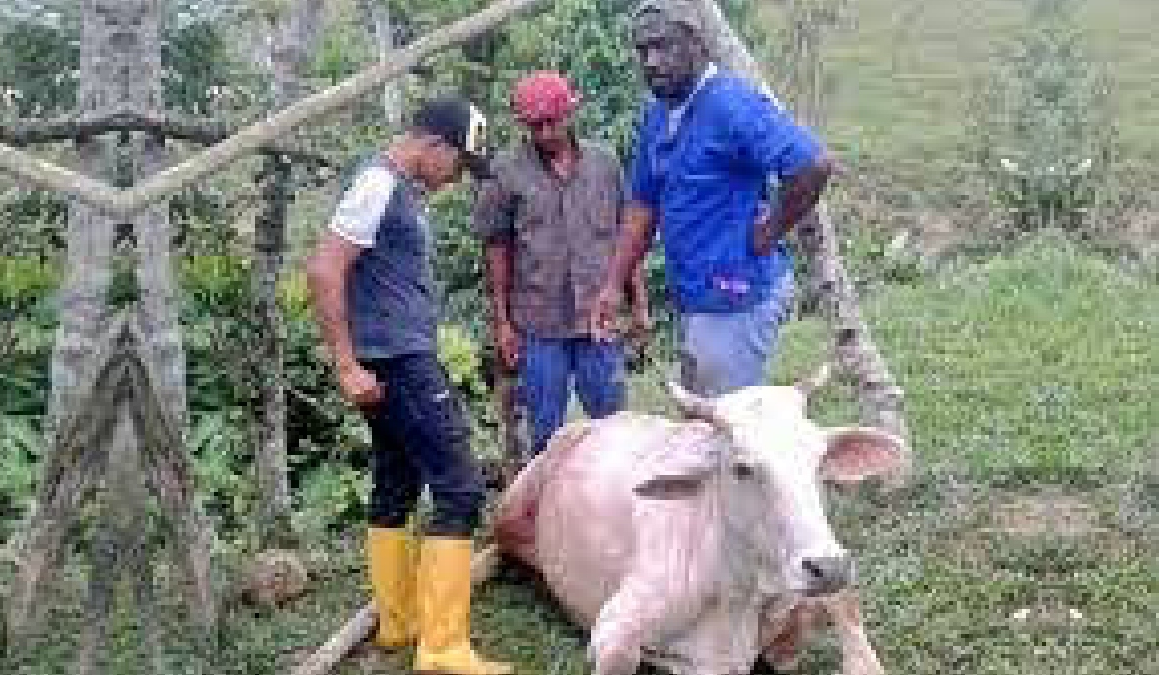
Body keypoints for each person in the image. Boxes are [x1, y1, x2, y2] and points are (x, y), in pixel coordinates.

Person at [305, 96, 512, 675]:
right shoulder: (377, 184)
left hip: (391, 360)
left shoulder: (394, 187)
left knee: (396, 480)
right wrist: (346, 364)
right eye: (459, 166)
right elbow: (324, 269)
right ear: (434, 145)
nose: (456, 179)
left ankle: (399, 623)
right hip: (397, 363)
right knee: (461, 490)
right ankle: (442, 649)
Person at [591, 0, 839, 398]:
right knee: (703, 419)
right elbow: (642, 207)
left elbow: (813, 164)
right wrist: (614, 284)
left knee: (727, 425)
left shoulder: (732, 106)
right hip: (695, 298)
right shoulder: (658, 114)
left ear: (698, 44)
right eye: (643, 51)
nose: (651, 61)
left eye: (663, 47)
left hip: (735, 300)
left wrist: (771, 229)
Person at [474, 71, 650, 459]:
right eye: (535, 126)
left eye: (552, 122)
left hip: (598, 319)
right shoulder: (506, 172)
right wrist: (502, 323)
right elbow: (497, 251)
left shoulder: (604, 165)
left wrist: (639, 305)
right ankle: (544, 510)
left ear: (570, 114)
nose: (544, 133)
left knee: (613, 428)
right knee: (544, 434)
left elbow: (627, 240)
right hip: (538, 325)